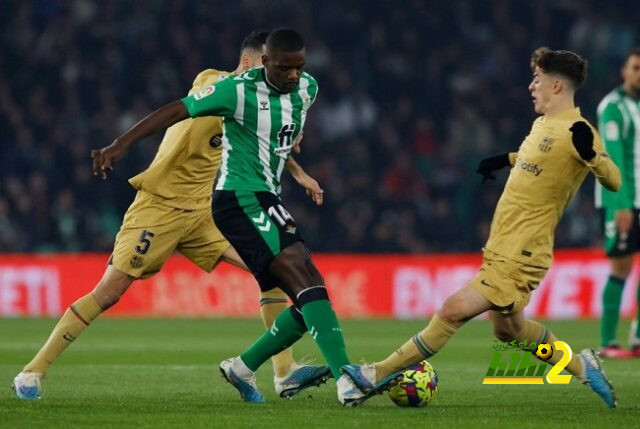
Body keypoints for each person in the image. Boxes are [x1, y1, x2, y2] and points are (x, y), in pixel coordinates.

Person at [13, 30, 329, 402]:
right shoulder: (220, 84)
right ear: (248, 62)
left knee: (274, 267)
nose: (276, 75)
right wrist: (119, 145)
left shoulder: (253, 100)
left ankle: (284, 373)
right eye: (267, 64)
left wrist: (295, 170)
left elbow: (262, 135)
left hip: (204, 211)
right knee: (110, 291)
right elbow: (184, 107)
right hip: (159, 207)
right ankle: (32, 372)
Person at [88, 28, 363, 406]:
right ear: (265, 62)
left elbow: (286, 125)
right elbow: (175, 110)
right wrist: (121, 144)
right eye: (285, 68)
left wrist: (294, 155)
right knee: (303, 274)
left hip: (267, 195)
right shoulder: (235, 90)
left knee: (304, 295)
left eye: (300, 67)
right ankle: (347, 379)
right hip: (238, 197)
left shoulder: (307, 89)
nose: (294, 76)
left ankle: (244, 367)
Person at [342, 48, 621, 409]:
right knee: (511, 330)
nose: (531, 86)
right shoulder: (542, 125)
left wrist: (594, 156)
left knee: (452, 310)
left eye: (537, 79)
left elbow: (614, 179)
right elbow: (536, 160)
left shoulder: (579, 131)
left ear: (556, 85)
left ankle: (374, 374)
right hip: (503, 245)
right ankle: (583, 366)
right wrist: (502, 160)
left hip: (524, 249)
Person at [595, 47, 640, 359]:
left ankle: (638, 340)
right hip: (622, 201)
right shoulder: (613, 107)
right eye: (635, 67)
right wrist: (621, 204)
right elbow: (613, 159)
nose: (639, 74)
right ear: (624, 71)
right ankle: (608, 342)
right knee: (621, 266)